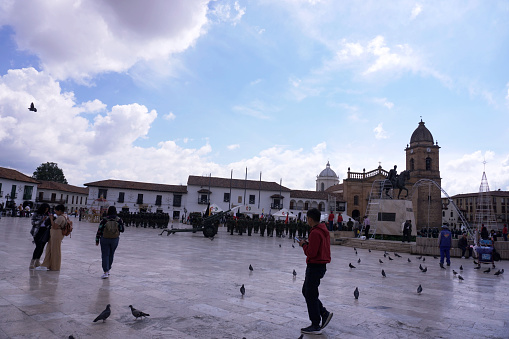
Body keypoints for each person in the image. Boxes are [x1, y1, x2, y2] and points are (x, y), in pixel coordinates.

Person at [298, 208, 332, 335]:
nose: (307, 221)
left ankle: (315, 324)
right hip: (320, 265)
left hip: (315, 266)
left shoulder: (315, 233)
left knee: (310, 294)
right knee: (306, 291)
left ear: (310, 219)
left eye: (307, 218)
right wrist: (308, 243)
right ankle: (323, 312)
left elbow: (311, 253)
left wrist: (303, 245)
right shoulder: (322, 230)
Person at [36, 204, 69, 271]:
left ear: (60, 210)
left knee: (55, 251)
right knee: (49, 249)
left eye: (56, 211)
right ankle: (46, 264)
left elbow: (54, 226)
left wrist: (51, 219)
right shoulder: (64, 216)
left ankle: (55, 266)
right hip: (55, 234)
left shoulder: (60, 218)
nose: (55, 212)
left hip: (56, 234)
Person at [96, 206, 124, 279]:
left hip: (104, 238)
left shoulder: (104, 219)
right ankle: (109, 268)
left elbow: (100, 230)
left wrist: (97, 239)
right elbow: (122, 229)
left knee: (105, 254)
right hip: (114, 239)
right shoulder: (118, 219)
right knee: (111, 254)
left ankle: (106, 271)